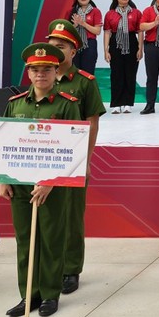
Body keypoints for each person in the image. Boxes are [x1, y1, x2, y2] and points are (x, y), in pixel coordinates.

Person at [0, 43, 83, 317]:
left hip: (53, 188)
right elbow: (7, 144)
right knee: (25, 241)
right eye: (35, 70)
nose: (40, 75)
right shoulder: (15, 104)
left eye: (46, 69)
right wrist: (3, 178)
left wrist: (50, 182)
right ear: (28, 73)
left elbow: (74, 150)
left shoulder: (67, 105)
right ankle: (29, 295)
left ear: (55, 71)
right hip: (21, 186)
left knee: (50, 239)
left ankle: (49, 294)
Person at [45, 19, 106, 296]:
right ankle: (47, 266)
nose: (55, 51)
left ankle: (70, 268)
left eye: (61, 47)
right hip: (42, 158)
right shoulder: (40, 78)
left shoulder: (84, 83)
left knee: (70, 216)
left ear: (73, 51)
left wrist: (87, 160)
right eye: (51, 45)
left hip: (72, 161)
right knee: (46, 216)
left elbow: (92, 124)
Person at [103, 0, 142, 114]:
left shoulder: (136, 13)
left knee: (130, 74)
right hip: (116, 44)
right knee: (116, 74)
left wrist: (140, 49)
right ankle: (116, 104)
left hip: (131, 42)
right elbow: (107, 33)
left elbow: (140, 32)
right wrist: (106, 50)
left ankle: (127, 103)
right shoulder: (110, 14)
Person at [69, 0, 102, 74]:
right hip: (74, 45)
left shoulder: (95, 11)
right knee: (74, 72)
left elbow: (97, 31)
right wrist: (74, 26)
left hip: (89, 44)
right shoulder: (70, 12)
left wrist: (83, 23)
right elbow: (66, 31)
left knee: (88, 73)